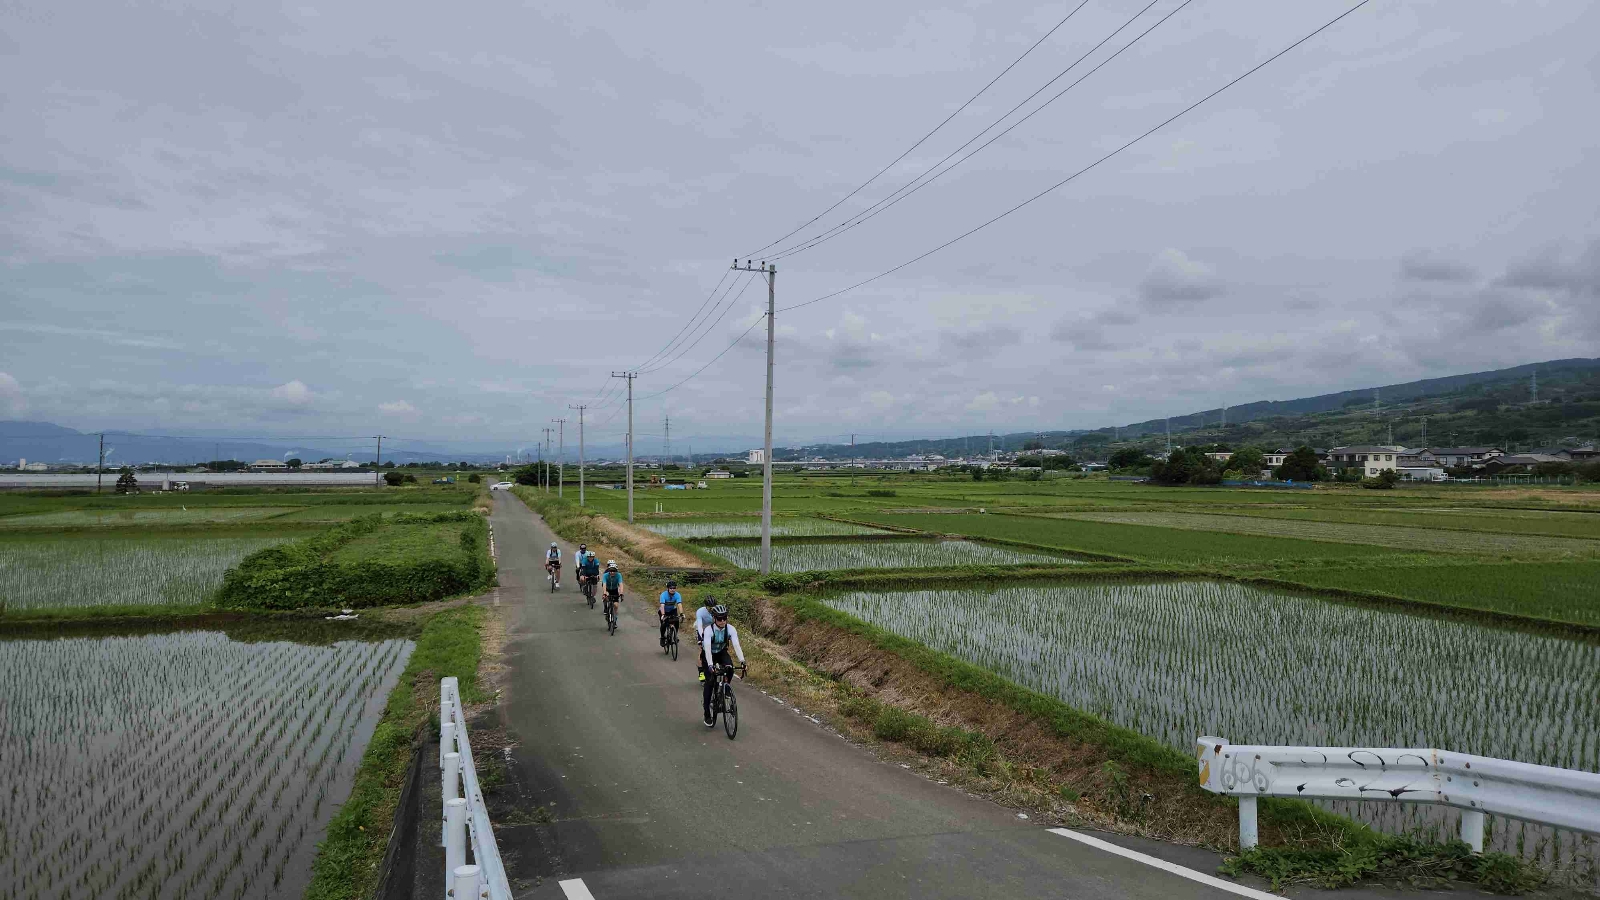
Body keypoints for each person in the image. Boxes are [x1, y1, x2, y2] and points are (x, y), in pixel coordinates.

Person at [700, 604, 745, 727]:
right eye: (719, 619)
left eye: (724, 618)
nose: (722, 621)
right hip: (708, 655)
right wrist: (710, 665)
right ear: (714, 619)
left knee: (730, 668)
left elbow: (736, 645)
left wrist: (742, 661)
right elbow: (707, 649)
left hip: (721, 652)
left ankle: (725, 687)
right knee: (709, 682)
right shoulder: (709, 630)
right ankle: (707, 713)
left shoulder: (730, 629)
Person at [694, 595, 717, 683]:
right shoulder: (700, 611)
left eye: (713, 607)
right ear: (705, 606)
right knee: (702, 650)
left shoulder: (717, 610)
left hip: (712, 629)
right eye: (709, 607)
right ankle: (701, 671)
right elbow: (700, 626)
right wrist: (701, 638)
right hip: (702, 628)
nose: (711, 609)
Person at [658, 581, 684, 647]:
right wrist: (663, 614)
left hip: (672, 610)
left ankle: (675, 636)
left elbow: (679, 604)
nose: (672, 589)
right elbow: (662, 605)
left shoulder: (677, 595)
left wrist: (681, 613)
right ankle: (662, 638)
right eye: (671, 588)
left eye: (674, 588)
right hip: (663, 611)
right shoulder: (663, 595)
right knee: (663, 624)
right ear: (668, 588)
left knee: (676, 621)